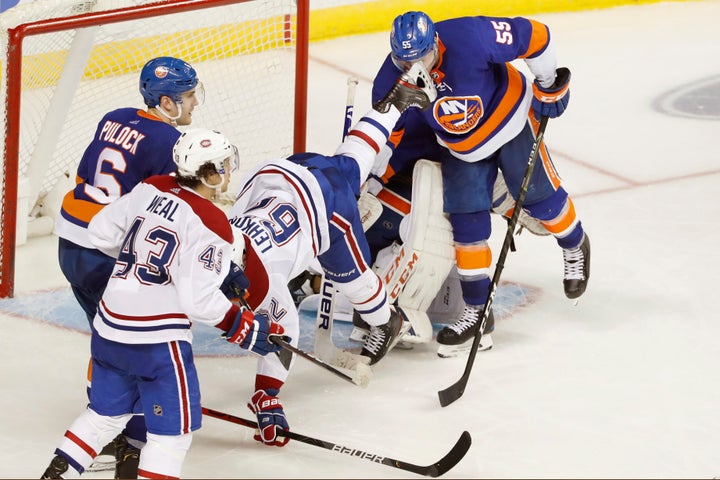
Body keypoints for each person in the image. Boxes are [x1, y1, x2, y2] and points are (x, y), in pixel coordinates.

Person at [41, 128, 284, 480]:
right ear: (211, 173)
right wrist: (243, 328)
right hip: (156, 343)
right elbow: (197, 300)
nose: (230, 171)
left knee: (105, 416)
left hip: (109, 325)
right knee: (171, 436)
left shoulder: (151, 186)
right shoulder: (213, 222)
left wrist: (142, 265)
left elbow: (100, 232)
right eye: (226, 165)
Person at [221, 64, 436, 445]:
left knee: (356, 280)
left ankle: (387, 319)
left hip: (327, 211)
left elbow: (284, 333)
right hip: (283, 174)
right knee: (348, 162)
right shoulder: (215, 241)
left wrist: (267, 397)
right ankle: (395, 102)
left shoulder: (264, 283)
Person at [370, 11, 591, 358]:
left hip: (513, 123)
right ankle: (475, 309)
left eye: (421, 58)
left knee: (542, 203)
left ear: (436, 45)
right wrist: (371, 173)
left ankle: (574, 244)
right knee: (466, 225)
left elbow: (535, 35)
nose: (414, 67)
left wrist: (548, 84)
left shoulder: (470, 36)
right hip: (459, 149)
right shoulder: (392, 81)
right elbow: (386, 133)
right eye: (404, 60)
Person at [52, 56, 204, 474]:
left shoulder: (113, 117)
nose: (194, 104)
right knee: (143, 336)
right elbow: (165, 211)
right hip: (104, 252)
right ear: (168, 103)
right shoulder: (170, 145)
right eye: (188, 96)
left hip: (70, 244)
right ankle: (133, 438)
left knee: (107, 334)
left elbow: (90, 173)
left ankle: (107, 416)